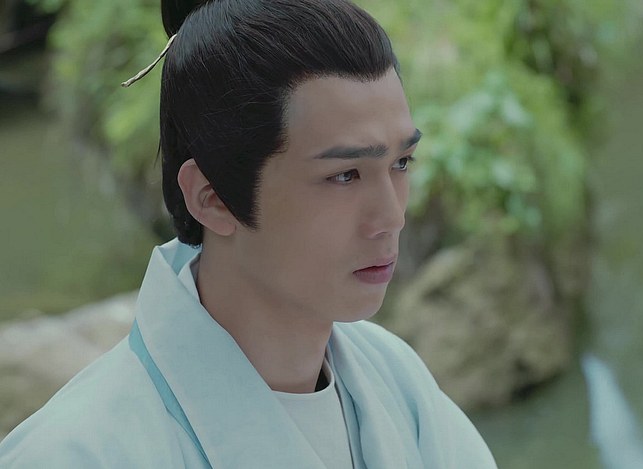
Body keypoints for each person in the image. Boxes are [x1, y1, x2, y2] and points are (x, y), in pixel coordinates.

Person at [0, 0, 497, 467]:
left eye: (401, 162)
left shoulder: (396, 381)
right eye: (345, 175)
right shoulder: (76, 454)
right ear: (212, 197)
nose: (391, 217)